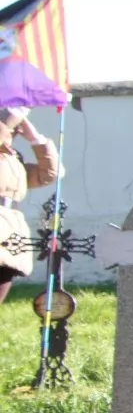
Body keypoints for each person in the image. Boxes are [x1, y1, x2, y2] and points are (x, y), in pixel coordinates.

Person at [0, 108, 59, 302]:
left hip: (9, 237)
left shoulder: (13, 159)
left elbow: (49, 174)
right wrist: (9, 118)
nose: (16, 130)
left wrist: (36, 140)